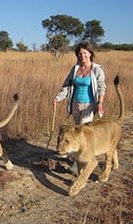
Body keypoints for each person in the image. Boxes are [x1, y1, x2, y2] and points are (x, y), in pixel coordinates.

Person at [53, 41, 106, 174]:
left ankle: (78, 166)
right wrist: (58, 98)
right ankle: (78, 161)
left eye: (85, 53)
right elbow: (67, 85)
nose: (82, 55)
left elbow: (101, 87)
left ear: (90, 54)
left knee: (83, 134)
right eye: (80, 53)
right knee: (75, 136)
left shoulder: (97, 69)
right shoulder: (75, 69)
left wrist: (99, 103)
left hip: (89, 105)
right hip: (75, 103)